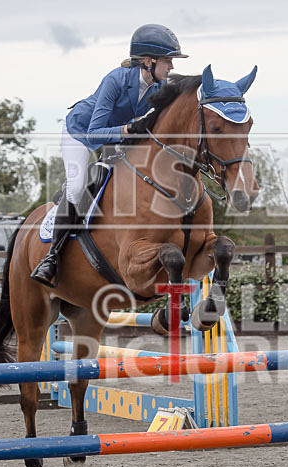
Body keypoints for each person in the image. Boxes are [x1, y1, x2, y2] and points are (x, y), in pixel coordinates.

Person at [31, 24, 188, 287]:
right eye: (167, 61)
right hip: (80, 133)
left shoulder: (156, 87)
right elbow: (94, 134)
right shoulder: (115, 80)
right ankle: (51, 258)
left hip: (115, 136)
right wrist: (128, 129)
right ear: (148, 62)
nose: (171, 67)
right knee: (78, 187)